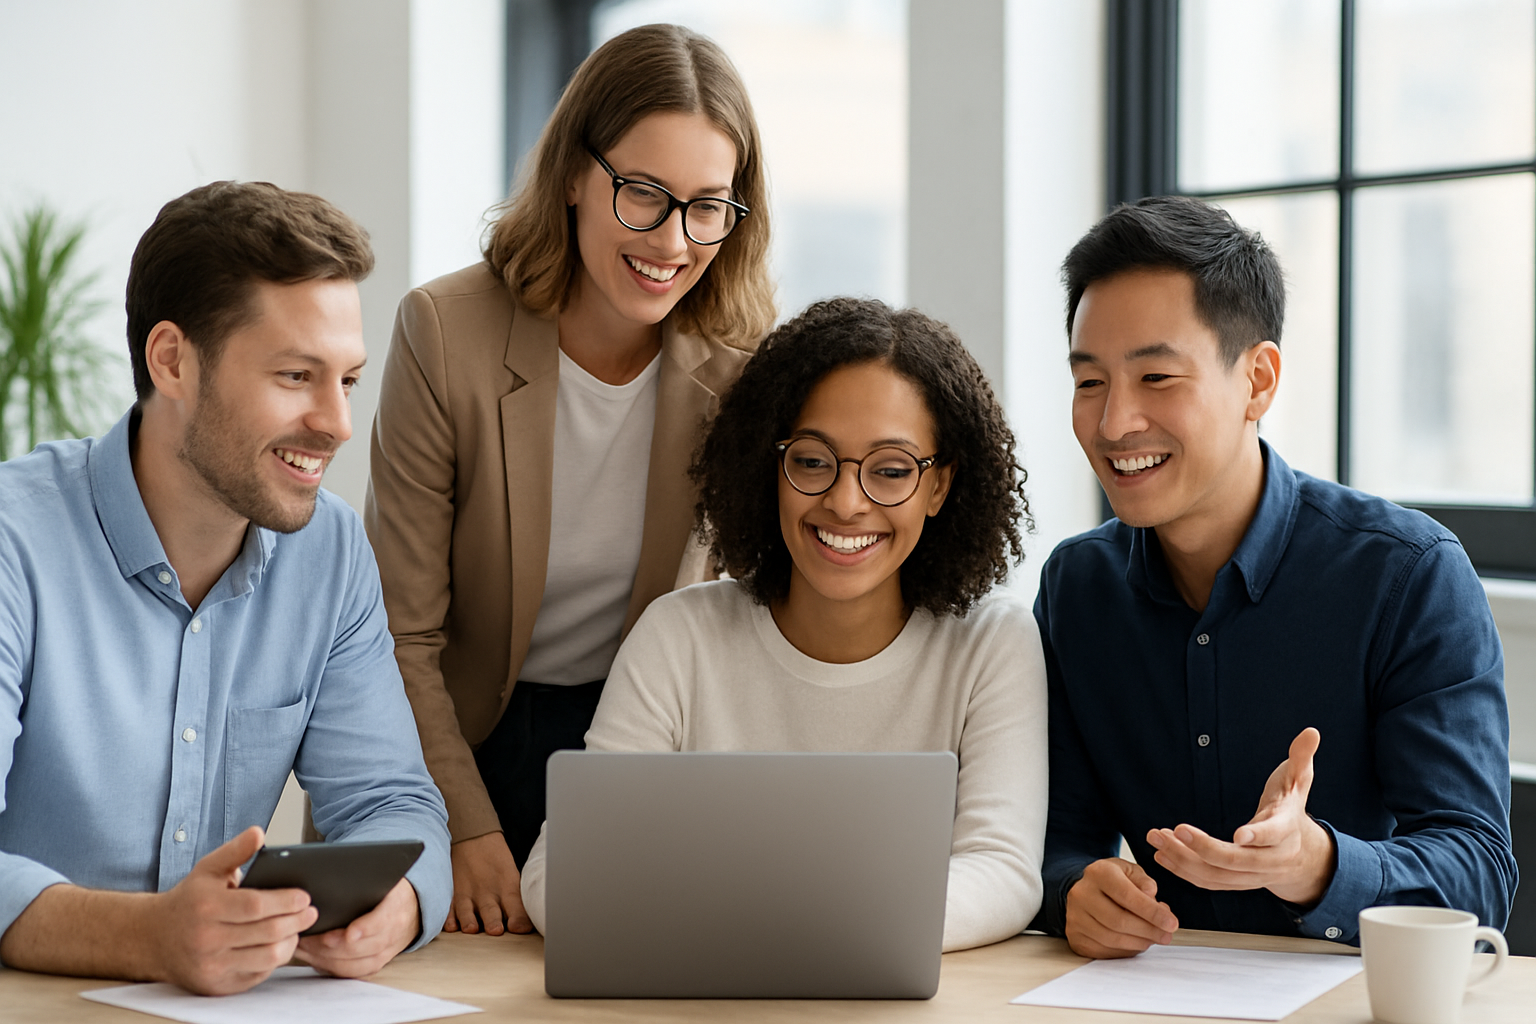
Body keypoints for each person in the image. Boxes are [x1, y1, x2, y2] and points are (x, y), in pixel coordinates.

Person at [366, 23, 775, 939]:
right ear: (574, 177)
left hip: (635, 744)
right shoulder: (444, 332)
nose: (674, 240)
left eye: (708, 206)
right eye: (644, 194)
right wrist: (463, 825)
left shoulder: (745, 365)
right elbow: (402, 633)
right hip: (455, 740)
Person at [1033, 195, 1516, 959]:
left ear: (1258, 380)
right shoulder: (1076, 589)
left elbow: (1479, 872)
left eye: (1157, 377)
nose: (1113, 422)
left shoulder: (1409, 575)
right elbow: (1053, 845)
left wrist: (1318, 863)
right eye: (1089, 382)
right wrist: (1075, 894)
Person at [0, 181, 451, 994]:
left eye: (346, 380)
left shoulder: (333, 549)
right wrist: (147, 938)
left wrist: (401, 906)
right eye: (295, 376)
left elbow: (393, 803)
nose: (339, 423)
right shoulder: (14, 539)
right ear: (172, 360)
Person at [519, 297, 1048, 952]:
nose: (846, 502)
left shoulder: (991, 645)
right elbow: (560, 875)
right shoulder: (680, 637)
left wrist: (761, 918)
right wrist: (821, 920)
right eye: (812, 460)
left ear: (939, 487)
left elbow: (1003, 873)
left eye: (890, 471)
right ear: (770, 465)